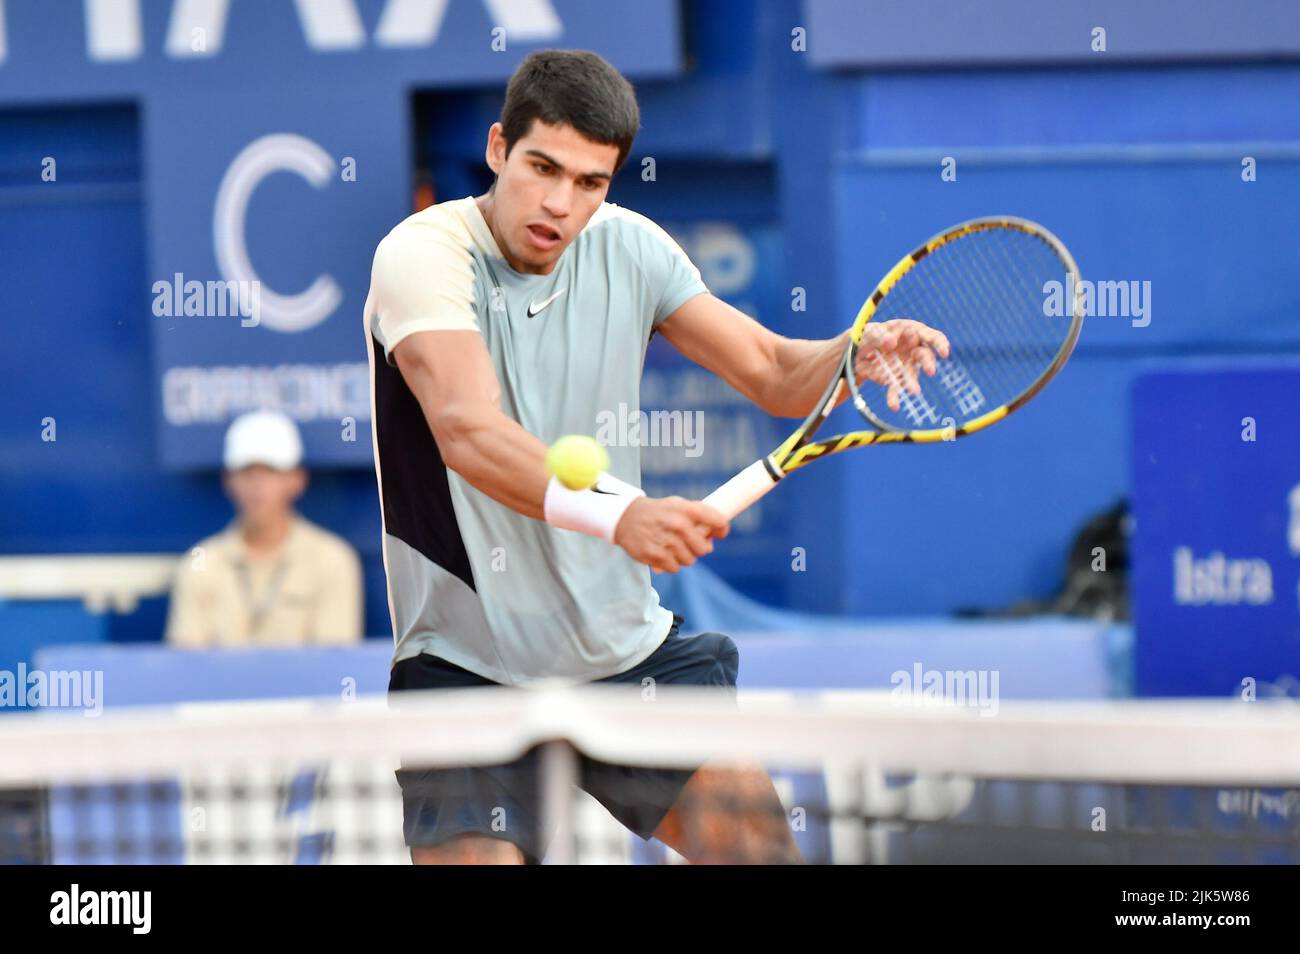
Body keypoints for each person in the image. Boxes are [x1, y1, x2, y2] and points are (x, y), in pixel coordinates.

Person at [364, 49, 947, 864]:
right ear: (498, 149)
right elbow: (467, 431)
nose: (559, 204)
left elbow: (778, 373)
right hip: (466, 662)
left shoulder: (632, 248)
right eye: (541, 168)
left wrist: (855, 353)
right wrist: (622, 516)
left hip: (622, 651)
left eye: (590, 182)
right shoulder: (424, 255)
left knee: (760, 852)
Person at [165, 410, 364, 648]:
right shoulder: (200, 563)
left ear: (298, 480)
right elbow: (185, 668)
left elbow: (334, 663)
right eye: (247, 471)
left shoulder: (333, 559)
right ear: (228, 480)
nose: (257, 484)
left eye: (271, 471)